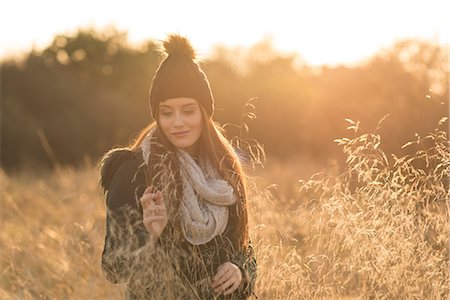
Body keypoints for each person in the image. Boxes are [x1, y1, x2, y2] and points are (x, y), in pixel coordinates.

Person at [99, 34, 257, 299]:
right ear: (157, 115)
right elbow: (113, 269)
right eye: (167, 112)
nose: (177, 122)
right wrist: (148, 234)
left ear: (204, 113)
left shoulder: (224, 168)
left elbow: (244, 247)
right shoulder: (133, 170)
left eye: (188, 110)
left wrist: (241, 270)